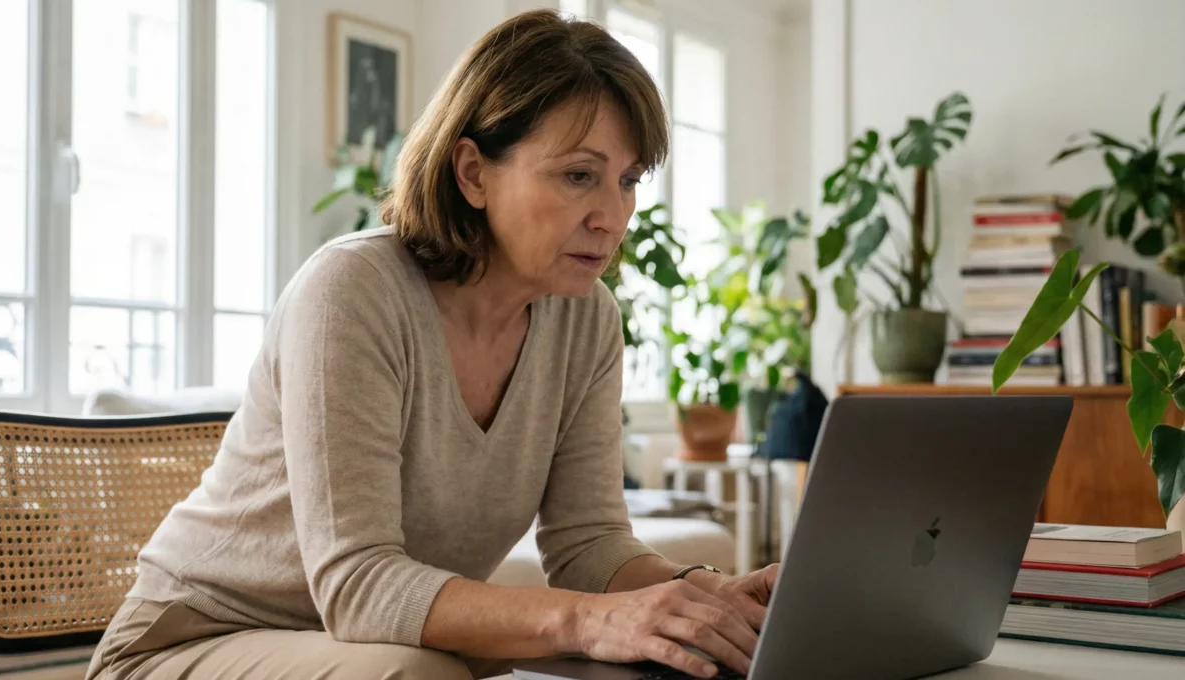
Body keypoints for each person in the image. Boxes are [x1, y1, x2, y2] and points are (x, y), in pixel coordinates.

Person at [85, 9, 778, 680]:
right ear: (473, 172)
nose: (612, 216)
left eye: (627, 181)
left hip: (363, 644)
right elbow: (358, 585)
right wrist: (589, 621)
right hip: (192, 640)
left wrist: (706, 598)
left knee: (663, 658)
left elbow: (588, 544)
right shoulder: (352, 290)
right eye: (578, 175)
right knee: (426, 671)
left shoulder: (586, 320)